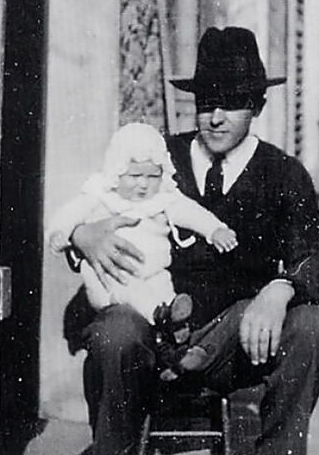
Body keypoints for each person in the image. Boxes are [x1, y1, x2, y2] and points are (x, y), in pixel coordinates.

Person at [68, 26, 319, 455]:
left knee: (310, 326)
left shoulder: (283, 173)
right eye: (206, 102)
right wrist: (82, 235)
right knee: (113, 331)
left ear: (256, 105)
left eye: (231, 103)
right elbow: (94, 199)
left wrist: (281, 288)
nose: (215, 117)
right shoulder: (159, 158)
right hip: (150, 334)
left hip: (236, 346)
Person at [49, 122, 238, 378]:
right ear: (116, 172)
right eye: (135, 176)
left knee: (165, 297)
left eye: (152, 176)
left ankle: (175, 354)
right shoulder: (101, 195)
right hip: (113, 277)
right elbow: (70, 213)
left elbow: (192, 212)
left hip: (154, 275)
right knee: (138, 300)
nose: (144, 185)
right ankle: (167, 321)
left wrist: (215, 230)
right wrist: (61, 232)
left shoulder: (162, 198)